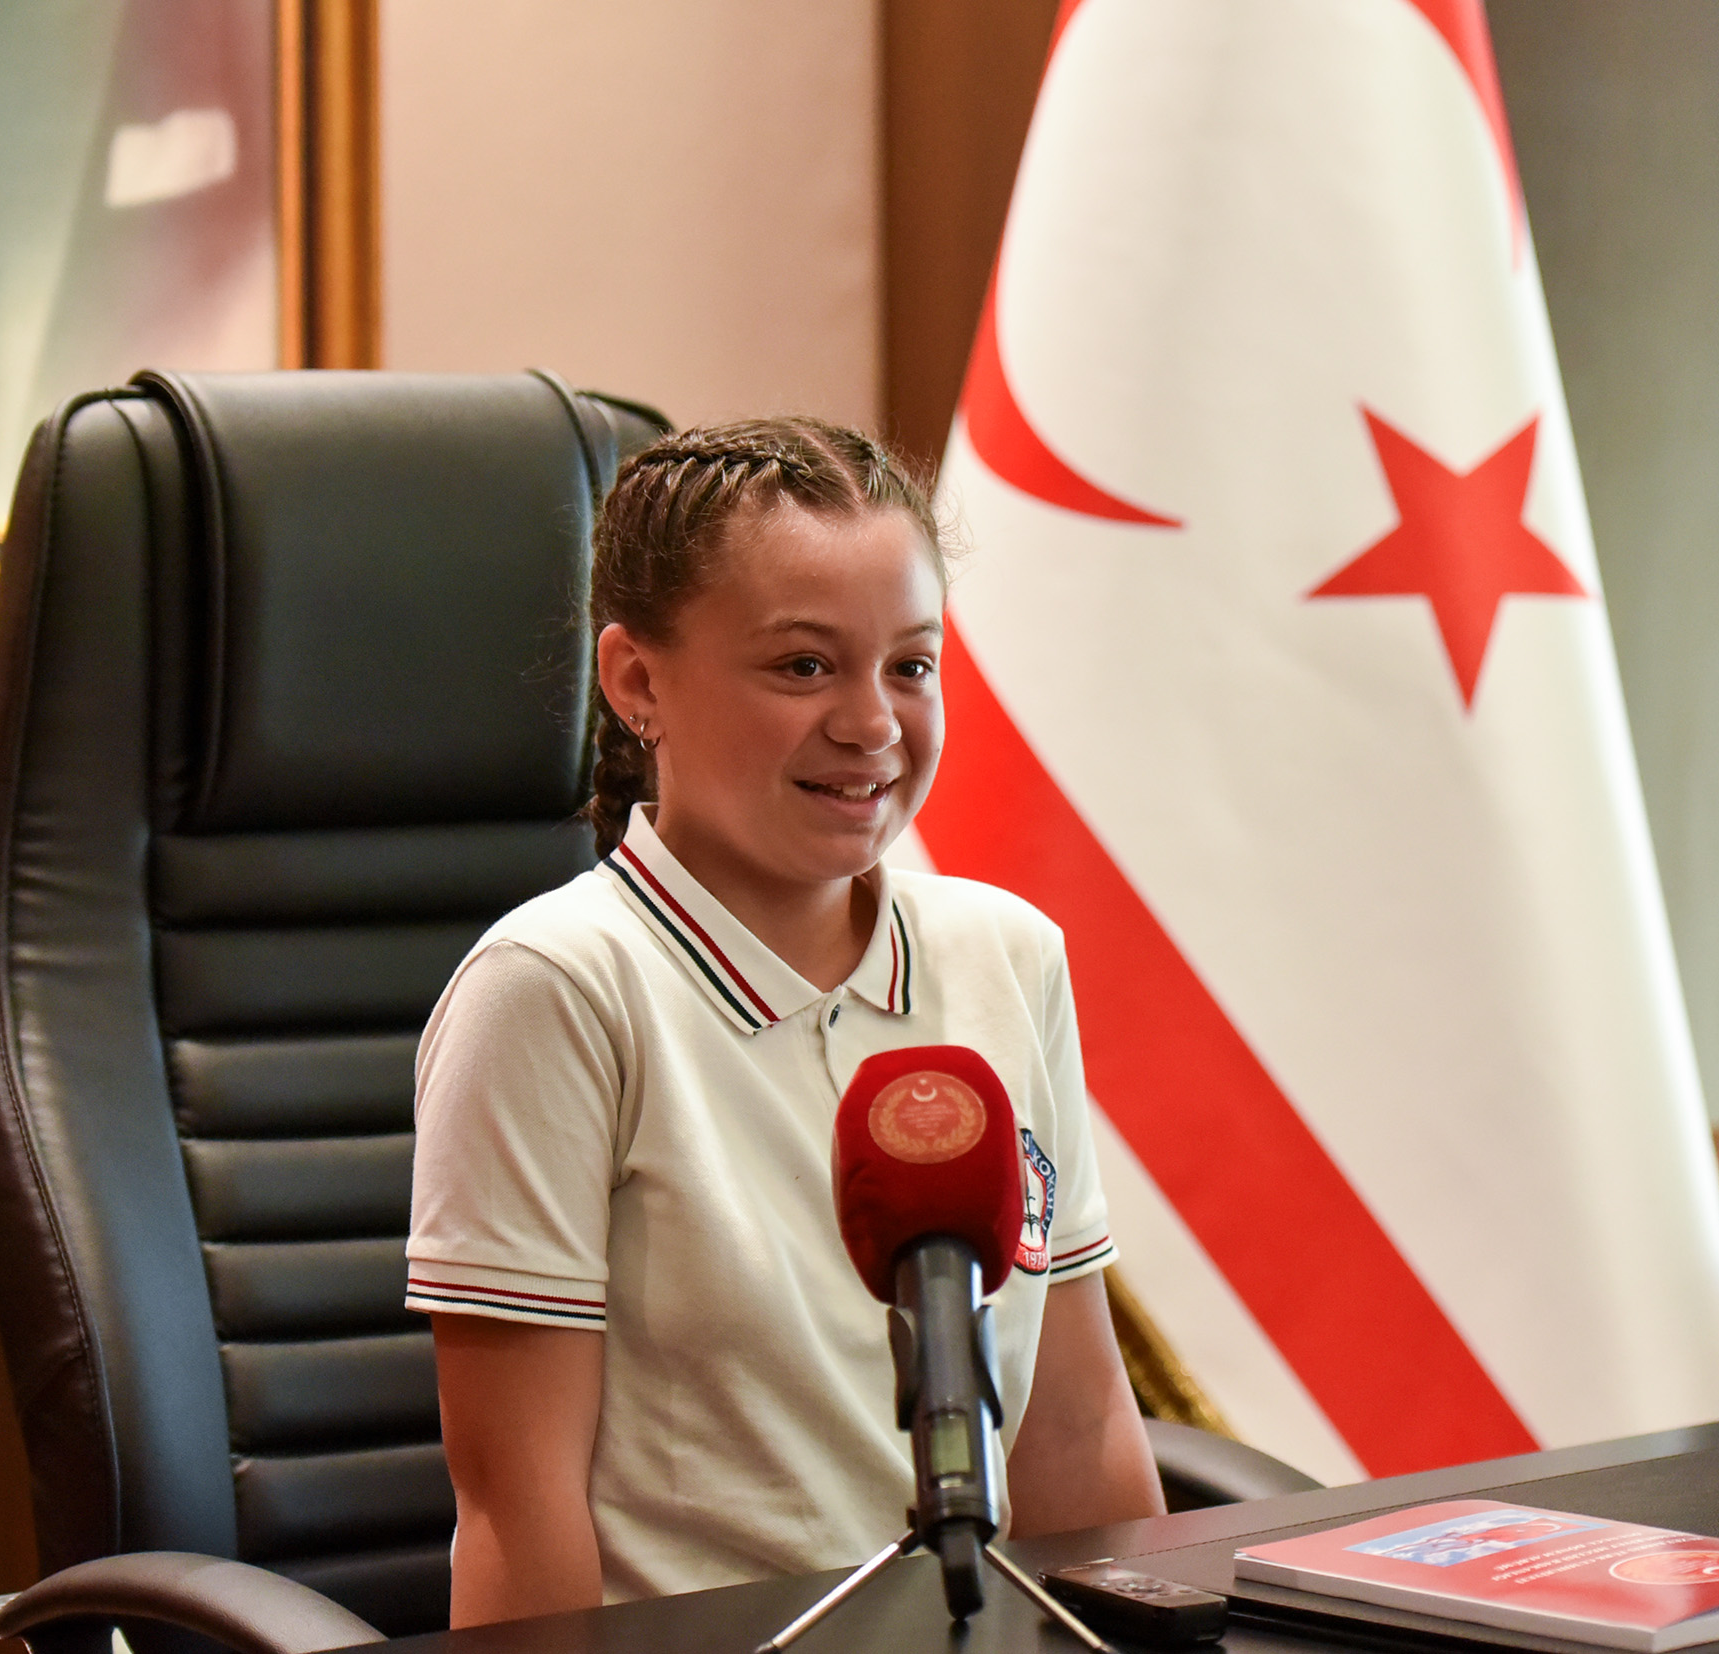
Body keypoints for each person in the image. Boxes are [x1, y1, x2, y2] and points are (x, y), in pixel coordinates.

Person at [405, 418, 1164, 1628]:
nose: (872, 724)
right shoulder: (552, 988)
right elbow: (516, 1512)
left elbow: (1073, 1428)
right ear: (637, 682)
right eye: (805, 666)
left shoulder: (1008, 955)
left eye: (910, 665)